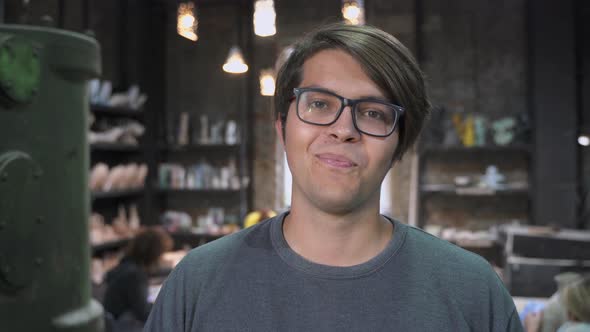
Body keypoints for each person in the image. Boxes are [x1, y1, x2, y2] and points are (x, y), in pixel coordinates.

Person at [144, 23, 521, 331]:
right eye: (319, 104)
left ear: (400, 144)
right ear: (282, 127)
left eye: (374, 113)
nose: (343, 130)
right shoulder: (197, 283)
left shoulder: (472, 291)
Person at [103, 227, 173, 331]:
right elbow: (144, 313)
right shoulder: (135, 275)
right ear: (153, 254)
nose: (161, 259)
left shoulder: (125, 265)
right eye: (160, 255)